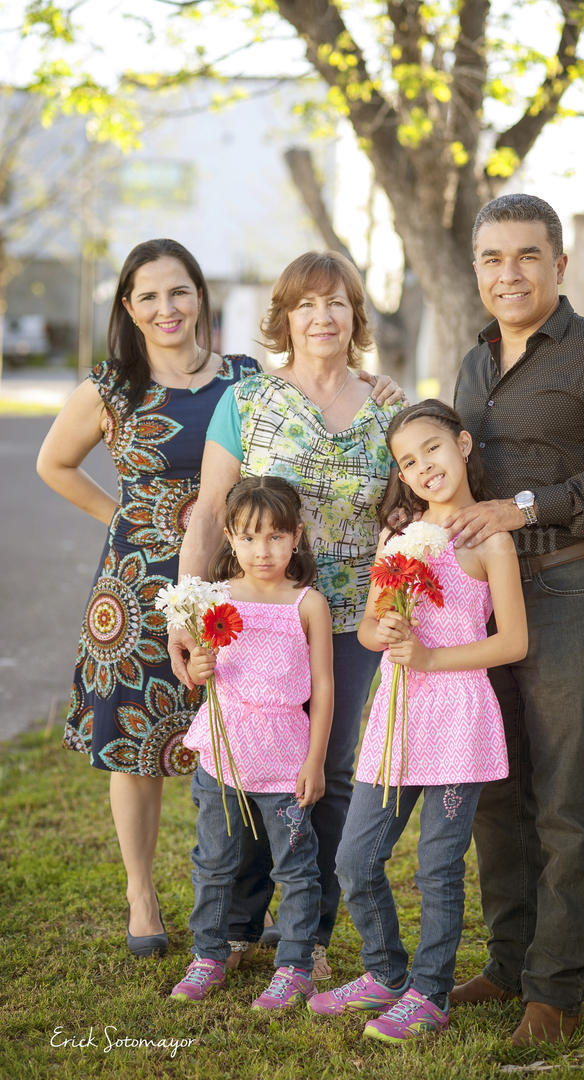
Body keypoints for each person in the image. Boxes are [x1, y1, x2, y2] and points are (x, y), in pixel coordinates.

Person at [36, 238, 398, 958]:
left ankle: (291, 924)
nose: (167, 307)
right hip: (206, 599)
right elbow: (195, 504)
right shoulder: (171, 390)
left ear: (202, 296)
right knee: (190, 754)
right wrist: (155, 560)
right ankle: (189, 908)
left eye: (180, 291)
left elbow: (385, 484)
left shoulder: (291, 388)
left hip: (311, 599)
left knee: (305, 762)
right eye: (149, 295)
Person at [447, 194, 584, 1046]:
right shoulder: (471, 364)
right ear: (477, 270)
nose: (510, 274)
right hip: (487, 600)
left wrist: (530, 504)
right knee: (499, 790)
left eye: (527, 257)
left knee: (567, 797)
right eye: (493, 259)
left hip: (571, 589)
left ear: (560, 264)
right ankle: (508, 964)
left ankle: (557, 989)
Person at [172, 250, 405, 980]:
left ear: (355, 315)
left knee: (329, 774)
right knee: (242, 766)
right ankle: (237, 925)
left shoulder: (389, 406)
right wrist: (187, 608)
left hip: (350, 620)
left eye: (337, 303)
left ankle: (310, 930)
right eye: (307, 304)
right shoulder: (245, 402)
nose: (323, 317)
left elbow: (411, 505)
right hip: (257, 616)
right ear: (286, 317)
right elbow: (211, 511)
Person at [307, 400, 528, 1044]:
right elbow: (373, 627)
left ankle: (430, 993)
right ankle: (384, 972)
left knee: (437, 866)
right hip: (398, 720)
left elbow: (512, 641)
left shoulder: (489, 540)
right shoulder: (399, 540)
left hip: (459, 720)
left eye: (431, 449)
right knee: (355, 858)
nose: (422, 466)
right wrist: (388, 630)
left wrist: (432, 655)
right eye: (407, 461)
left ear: (462, 445)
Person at [170, 476, 333, 1008]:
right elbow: (200, 672)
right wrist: (197, 665)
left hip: (286, 760)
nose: (262, 551)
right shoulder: (214, 599)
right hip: (223, 757)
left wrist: (316, 760)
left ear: (296, 537)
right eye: (249, 538)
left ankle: (295, 965)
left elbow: (324, 687)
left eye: (276, 537)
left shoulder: (306, 604)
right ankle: (209, 954)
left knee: (295, 866)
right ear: (230, 539)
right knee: (215, 860)